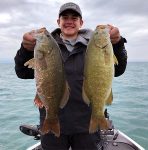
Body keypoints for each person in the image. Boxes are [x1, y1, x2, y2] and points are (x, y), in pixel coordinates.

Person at [14, 2, 127, 150]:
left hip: (86, 124)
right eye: (65, 17)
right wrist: (25, 49)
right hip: (53, 121)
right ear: (58, 22)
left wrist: (118, 44)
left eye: (74, 18)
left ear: (81, 22)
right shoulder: (44, 46)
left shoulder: (92, 47)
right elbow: (22, 72)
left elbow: (118, 70)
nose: (69, 21)